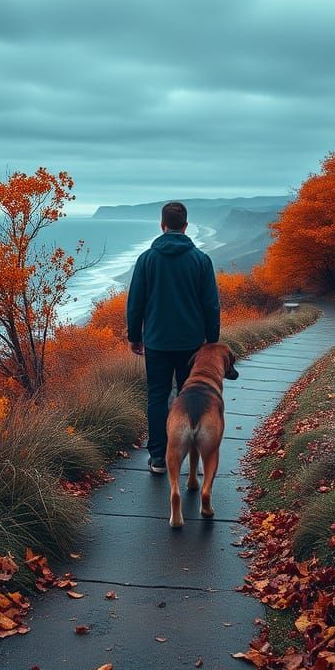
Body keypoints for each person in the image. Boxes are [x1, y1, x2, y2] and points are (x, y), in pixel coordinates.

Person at [126, 201, 221, 474]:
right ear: (186, 226)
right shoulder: (201, 260)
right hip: (192, 343)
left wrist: (135, 336)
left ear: (162, 225)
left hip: (156, 341)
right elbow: (211, 304)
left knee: (157, 396)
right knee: (188, 397)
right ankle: (188, 455)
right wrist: (211, 340)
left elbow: (136, 303)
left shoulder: (146, 259)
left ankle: (158, 457)